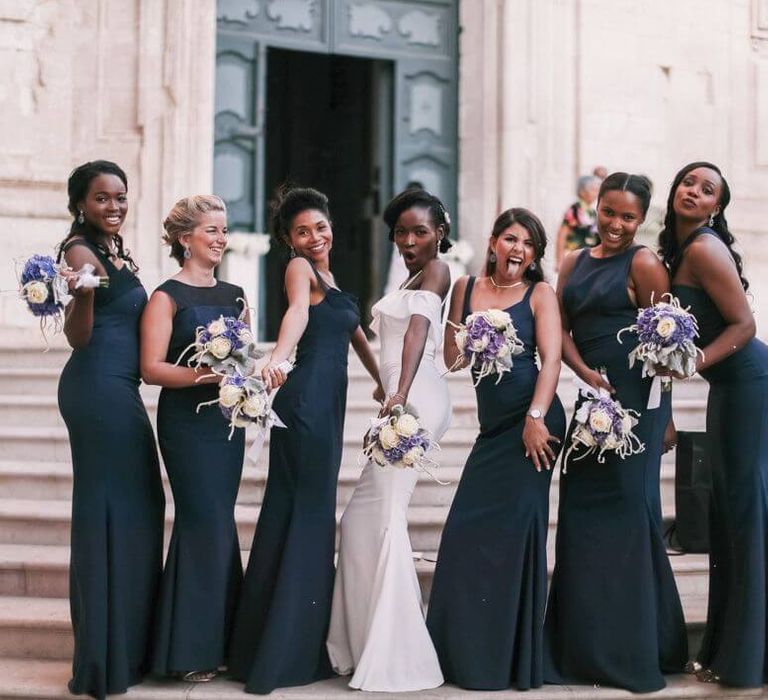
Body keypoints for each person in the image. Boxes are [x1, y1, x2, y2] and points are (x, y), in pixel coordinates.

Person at [228, 187, 383, 694]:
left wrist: (384, 381)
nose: (314, 237)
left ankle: (280, 641)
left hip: (328, 404)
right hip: (306, 402)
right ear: (289, 240)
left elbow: (355, 332)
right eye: (302, 232)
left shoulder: (333, 280)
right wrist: (278, 357)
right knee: (304, 510)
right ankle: (280, 652)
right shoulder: (300, 270)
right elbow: (296, 313)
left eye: (320, 227)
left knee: (307, 509)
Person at [544, 172, 688, 692]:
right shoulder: (571, 261)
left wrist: (665, 415)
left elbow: (664, 348)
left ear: (641, 218)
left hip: (637, 406)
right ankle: (582, 649)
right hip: (590, 402)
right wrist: (582, 374)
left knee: (630, 515)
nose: (617, 225)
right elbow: (559, 327)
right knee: (581, 517)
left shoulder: (645, 263)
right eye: (609, 212)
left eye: (628, 217)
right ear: (595, 208)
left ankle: (635, 648)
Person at [427, 208, 566, 690]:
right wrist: (473, 329)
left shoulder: (540, 294)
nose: (518, 250)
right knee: (465, 532)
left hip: (535, 422)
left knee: (514, 539)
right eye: (511, 239)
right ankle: (462, 655)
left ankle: (507, 661)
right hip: (493, 430)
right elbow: (451, 358)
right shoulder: (465, 288)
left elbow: (551, 361)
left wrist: (536, 419)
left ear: (535, 255)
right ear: (492, 242)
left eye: (528, 245)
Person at [327, 188, 452, 692]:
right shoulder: (410, 275)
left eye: (419, 231)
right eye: (400, 231)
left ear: (440, 232)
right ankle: (361, 641)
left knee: (380, 517)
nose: (408, 240)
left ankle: (399, 654)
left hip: (416, 400)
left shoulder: (439, 271)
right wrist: (385, 384)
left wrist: (398, 391)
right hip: (403, 395)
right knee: (364, 519)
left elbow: (419, 329)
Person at [57, 161, 165, 699]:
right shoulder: (79, 250)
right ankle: (103, 660)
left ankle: (125, 647)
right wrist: (84, 295)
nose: (115, 206)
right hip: (96, 388)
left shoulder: (116, 249)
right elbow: (79, 337)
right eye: (103, 198)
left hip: (119, 388)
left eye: (121, 197)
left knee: (137, 506)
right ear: (81, 202)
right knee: (108, 514)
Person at [661, 161, 768, 688]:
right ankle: (730, 650)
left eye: (707, 190)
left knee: (747, 513)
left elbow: (745, 325)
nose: (694, 192)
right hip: (728, 391)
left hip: (752, 386)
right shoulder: (678, 253)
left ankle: (751, 658)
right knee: (729, 514)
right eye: (688, 182)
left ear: (715, 208)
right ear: (675, 189)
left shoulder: (704, 248)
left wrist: (689, 365)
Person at [140, 195, 245, 682]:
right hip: (186, 424)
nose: (221, 239)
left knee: (218, 521)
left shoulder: (236, 294)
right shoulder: (165, 297)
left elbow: (244, 358)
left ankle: (221, 641)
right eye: (211, 231)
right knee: (202, 520)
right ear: (186, 239)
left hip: (225, 423)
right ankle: (188, 651)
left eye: (224, 231)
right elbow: (151, 368)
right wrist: (204, 375)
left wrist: (243, 383)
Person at [555, 175, 601, 270]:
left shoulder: (592, 212)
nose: (596, 193)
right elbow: (562, 234)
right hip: (573, 256)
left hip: (589, 258)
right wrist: (559, 261)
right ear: (582, 191)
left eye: (596, 190)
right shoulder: (575, 209)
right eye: (593, 189)